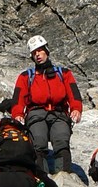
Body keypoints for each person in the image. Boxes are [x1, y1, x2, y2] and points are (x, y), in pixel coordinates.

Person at [8, 34, 83, 174]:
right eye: (34, 53)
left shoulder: (64, 74)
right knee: (38, 143)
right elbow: (18, 99)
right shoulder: (26, 77)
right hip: (36, 113)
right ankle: (41, 177)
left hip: (59, 113)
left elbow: (74, 95)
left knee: (62, 141)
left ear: (46, 51)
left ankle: (63, 176)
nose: (37, 55)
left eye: (40, 50)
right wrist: (17, 114)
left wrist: (76, 109)